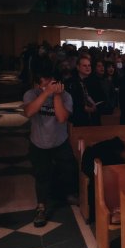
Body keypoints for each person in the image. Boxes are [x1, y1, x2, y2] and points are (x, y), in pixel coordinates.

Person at [23, 62, 78, 227]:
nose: (48, 86)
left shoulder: (66, 96)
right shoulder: (31, 94)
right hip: (39, 143)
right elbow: (28, 112)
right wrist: (45, 92)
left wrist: (56, 96)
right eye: (43, 83)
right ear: (38, 83)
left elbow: (61, 118)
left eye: (51, 82)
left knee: (69, 169)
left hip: (60, 142)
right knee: (42, 176)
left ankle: (69, 194)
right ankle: (41, 207)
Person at [65, 56, 103, 126]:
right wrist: (84, 108)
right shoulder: (71, 82)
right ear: (78, 67)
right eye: (84, 66)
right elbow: (71, 101)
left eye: (89, 65)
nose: (88, 68)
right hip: (78, 119)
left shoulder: (94, 81)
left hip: (93, 118)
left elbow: (99, 97)